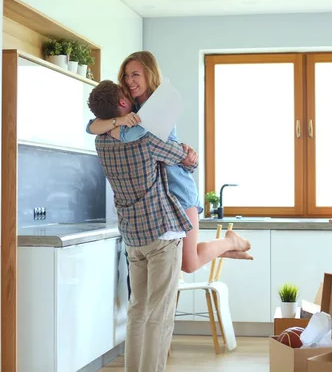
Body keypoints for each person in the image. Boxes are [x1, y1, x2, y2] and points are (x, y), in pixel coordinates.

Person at [87, 51, 253, 272]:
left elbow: (138, 139)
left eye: (135, 74)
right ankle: (228, 246)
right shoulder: (130, 108)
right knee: (185, 261)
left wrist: (115, 127)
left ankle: (230, 242)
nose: (129, 80)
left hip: (178, 186)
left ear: (149, 74)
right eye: (126, 75)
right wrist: (118, 120)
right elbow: (91, 126)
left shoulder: (160, 104)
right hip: (161, 195)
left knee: (188, 263)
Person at [87, 84, 197, 372]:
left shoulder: (100, 142)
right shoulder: (146, 140)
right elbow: (181, 158)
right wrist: (188, 155)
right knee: (160, 314)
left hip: (133, 237)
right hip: (162, 232)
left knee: (137, 310)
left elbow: (94, 128)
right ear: (124, 101)